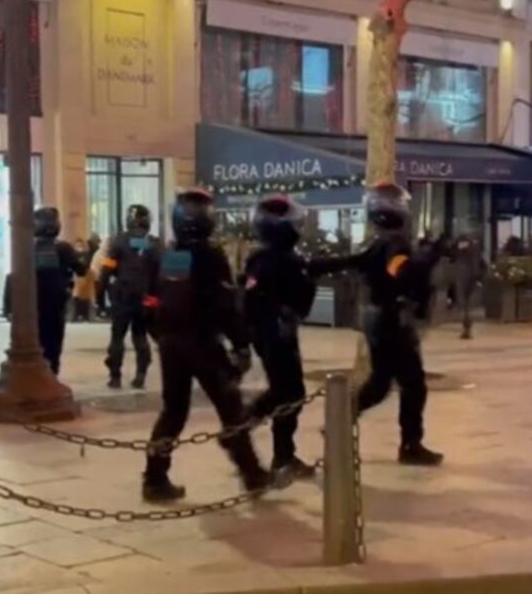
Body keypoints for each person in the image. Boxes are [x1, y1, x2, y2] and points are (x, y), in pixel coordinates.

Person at [142, 188, 270, 502]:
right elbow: (226, 305)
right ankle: (252, 473)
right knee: (230, 406)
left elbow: (150, 302)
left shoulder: (168, 254)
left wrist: (161, 335)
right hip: (203, 342)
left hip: (171, 343)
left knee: (173, 411)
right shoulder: (211, 256)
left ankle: (154, 478)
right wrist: (241, 344)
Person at [309, 183, 445, 466]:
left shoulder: (378, 241)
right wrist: (428, 257)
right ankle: (410, 444)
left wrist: (315, 265)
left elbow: (351, 261)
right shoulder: (395, 243)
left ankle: (339, 420)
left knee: (381, 382)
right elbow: (400, 272)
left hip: (376, 317)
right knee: (413, 384)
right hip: (391, 319)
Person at [243, 194, 317, 480]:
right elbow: (254, 299)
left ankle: (251, 426)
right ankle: (280, 454)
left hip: (273, 333)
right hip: (275, 335)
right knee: (290, 392)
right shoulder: (275, 260)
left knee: (285, 391)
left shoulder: (266, 258)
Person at [100, 204, 162, 389]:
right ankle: (140, 375)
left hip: (122, 296)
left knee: (117, 337)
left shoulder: (119, 241)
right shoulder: (155, 244)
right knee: (140, 336)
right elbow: (161, 273)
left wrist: (100, 296)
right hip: (146, 298)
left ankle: (115, 377)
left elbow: (107, 269)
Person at [33, 207, 87, 375]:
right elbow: (81, 270)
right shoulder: (63, 248)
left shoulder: (27, 247)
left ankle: (38, 372)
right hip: (56, 300)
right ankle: (52, 372)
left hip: (32, 302)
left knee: (37, 337)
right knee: (54, 339)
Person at [449, 235, 486, 340]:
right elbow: (483, 265)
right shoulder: (475, 251)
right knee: (468, 306)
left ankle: (466, 329)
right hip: (472, 279)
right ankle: (467, 328)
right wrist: (480, 278)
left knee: (465, 306)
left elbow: (453, 259)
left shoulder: (459, 253)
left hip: (464, 280)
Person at [71, 239, 96, 323]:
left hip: (85, 277)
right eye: (78, 245)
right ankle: (78, 315)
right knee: (78, 296)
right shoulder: (74, 255)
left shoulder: (86, 255)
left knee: (83, 296)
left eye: (81, 245)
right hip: (78, 278)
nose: (79, 247)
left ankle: (83, 315)